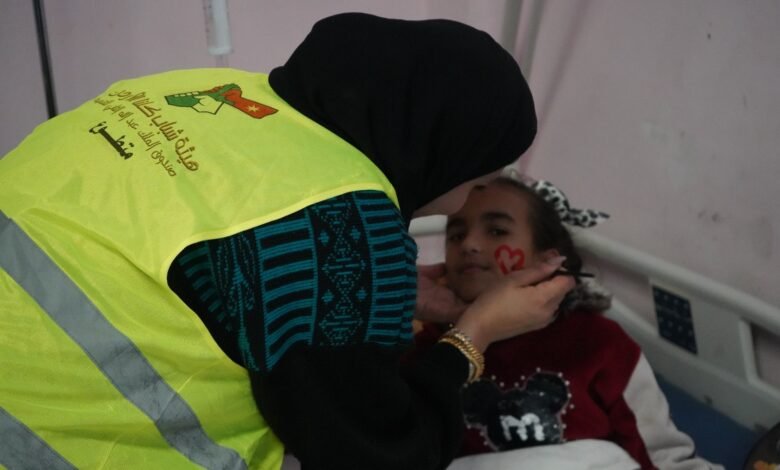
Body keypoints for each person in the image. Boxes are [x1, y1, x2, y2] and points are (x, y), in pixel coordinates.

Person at [0, 13, 575, 470]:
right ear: (443, 149)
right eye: (476, 178)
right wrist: (473, 335)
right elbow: (380, 453)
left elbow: (197, 249)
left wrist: (383, 298)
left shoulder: (209, 91)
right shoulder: (344, 232)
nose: (468, 198)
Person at [414, 175, 724, 469]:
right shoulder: (428, 353)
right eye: (456, 235)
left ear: (547, 260)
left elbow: (660, 454)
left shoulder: (599, 343)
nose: (469, 244)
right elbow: (399, 447)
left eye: (496, 231)